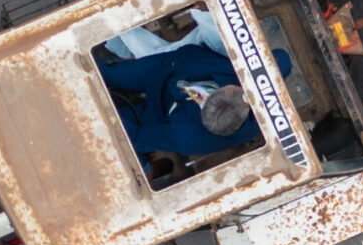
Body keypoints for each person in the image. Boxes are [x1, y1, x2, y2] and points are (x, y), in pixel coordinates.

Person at [101, 42, 293, 164]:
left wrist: (103, 108)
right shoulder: (256, 82)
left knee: (111, 130)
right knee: (107, 74)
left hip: (159, 118)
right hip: (165, 71)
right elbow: (282, 59)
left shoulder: (186, 137)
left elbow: (138, 139)